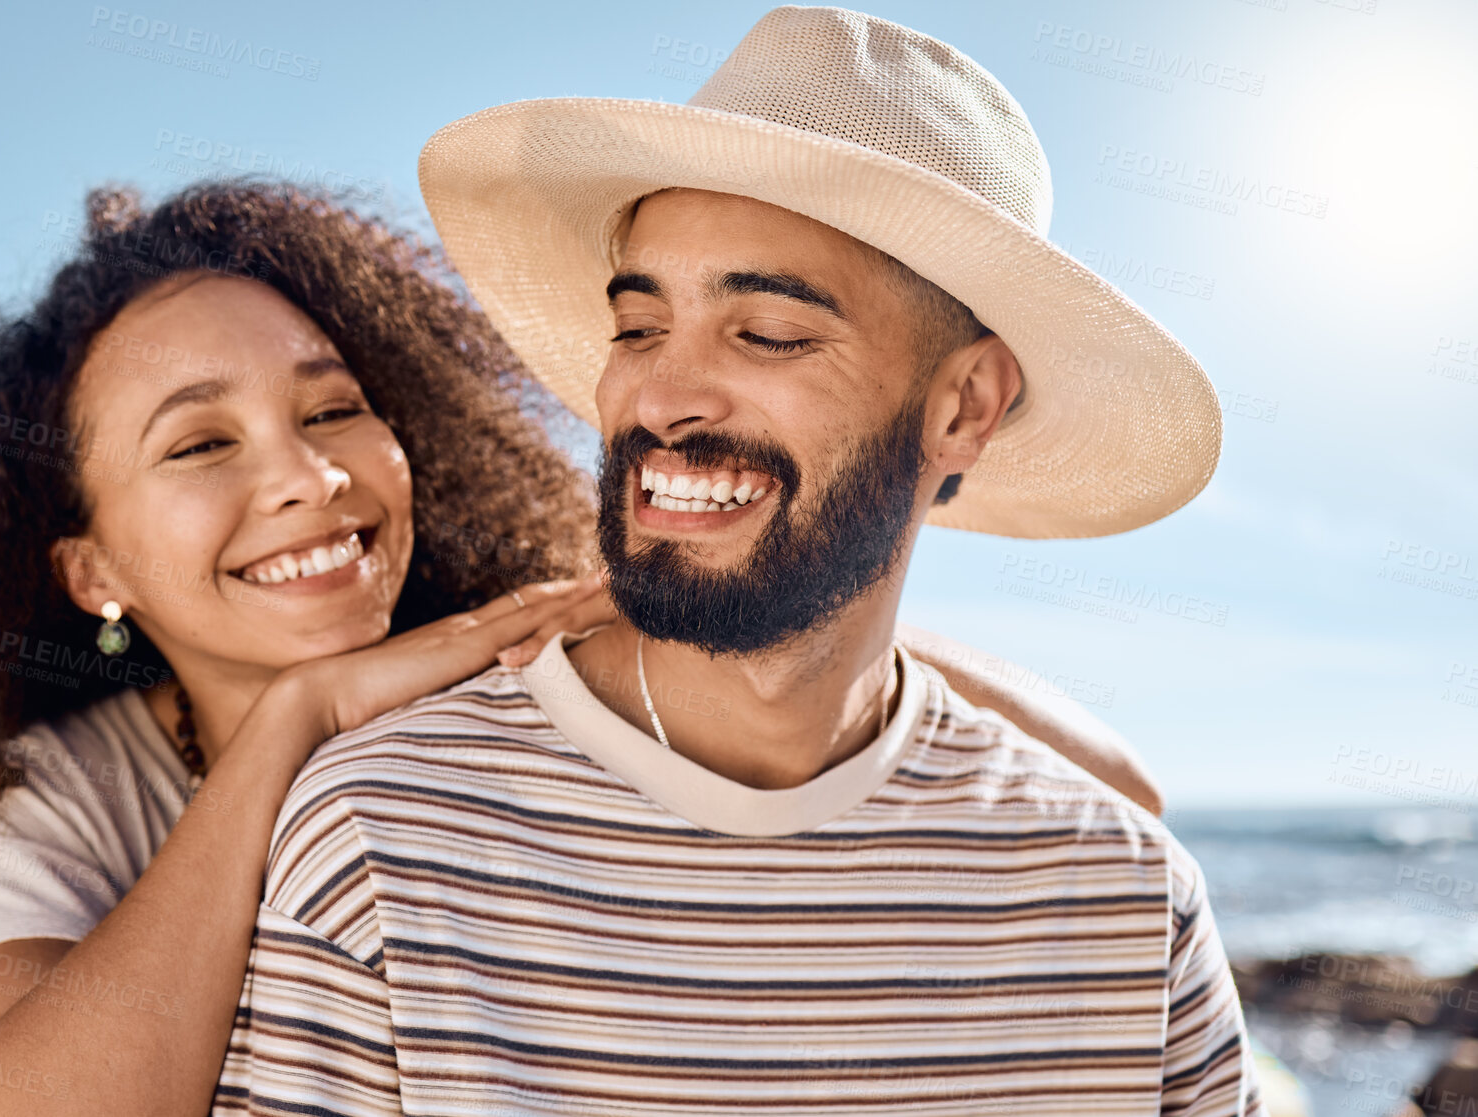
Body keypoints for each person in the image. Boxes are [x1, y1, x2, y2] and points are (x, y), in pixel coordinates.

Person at [0, 179, 1152, 1117]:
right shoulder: (51, 795)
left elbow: (1118, 799)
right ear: (90, 567)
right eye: (202, 443)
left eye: (333, 411)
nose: (305, 478)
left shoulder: (527, 654)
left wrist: (824, 633)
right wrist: (292, 725)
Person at [210, 7, 1259, 1116]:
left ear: (963, 405)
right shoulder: (382, 836)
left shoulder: (1127, 897)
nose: (656, 398)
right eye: (636, 326)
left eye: (766, 334)